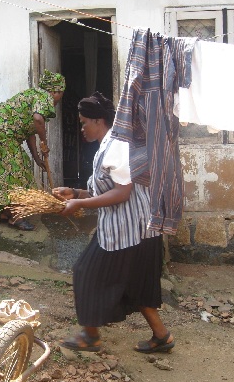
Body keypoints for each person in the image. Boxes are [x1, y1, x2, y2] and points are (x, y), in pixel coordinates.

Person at [52, 91, 175, 354]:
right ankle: (162, 336)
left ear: (99, 121)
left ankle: (90, 336)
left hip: (131, 229)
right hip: (134, 228)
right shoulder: (106, 145)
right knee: (137, 283)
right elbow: (104, 190)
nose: (82, 127)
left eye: (85, 121)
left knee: (85, 271)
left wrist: (79, 204)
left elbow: (122, 192)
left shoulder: (117, 145)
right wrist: (74, 193)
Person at [0, 69, 65, 231]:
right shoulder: (43, 97)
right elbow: (37, 119)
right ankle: (17, 217)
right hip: (1, 129)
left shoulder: (34, 96)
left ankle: (6, 212)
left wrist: (36, 158)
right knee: (19, 169)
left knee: (5, 170)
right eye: (60, 94)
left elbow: (30, 133)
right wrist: (44, 142)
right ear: (55, 91)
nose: (58, 99)